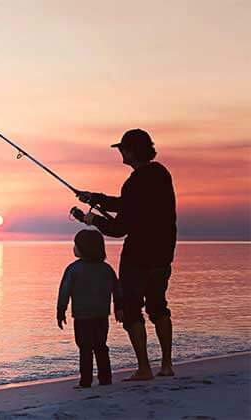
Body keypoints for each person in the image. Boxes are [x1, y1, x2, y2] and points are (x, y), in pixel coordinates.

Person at [77, 128, 177, 381]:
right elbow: (128, 204)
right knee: (158, 306)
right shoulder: (160, 174)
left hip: (138, 256)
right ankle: (166, 365)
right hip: (163, 252)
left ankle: (144, 368)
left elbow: (119, 228)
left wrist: (92, 220)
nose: (120, 152)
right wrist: (96, 198)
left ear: (132, 150)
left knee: (132, 310)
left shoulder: (134, 182)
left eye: (122, 148)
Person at [57, 229, 123, 388]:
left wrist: (60, 311)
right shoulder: (106, 269)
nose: (74, 248)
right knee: (101, 346)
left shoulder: (73, 269)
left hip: (82, 316)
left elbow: (64, 291)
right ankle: (105, 378)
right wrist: (119, 308)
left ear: (83, 248)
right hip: (101, 315)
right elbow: (117, 290)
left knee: (85, 348)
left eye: (76, 245)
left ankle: (85, 381)